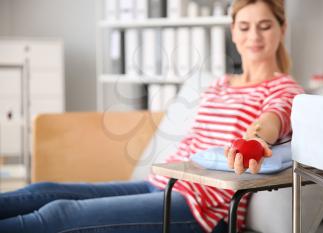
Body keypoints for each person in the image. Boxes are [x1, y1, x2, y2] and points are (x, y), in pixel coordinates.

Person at [0, 0, 304, 232]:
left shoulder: (285, 87)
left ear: (282, 28)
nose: (254, 36)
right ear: (233, 31)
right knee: (41, 192)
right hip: (162, 182)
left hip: (202, 207)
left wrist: (254, 138)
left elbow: (273, 118)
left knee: (58, 214)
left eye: (264, 26)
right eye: (245, 26)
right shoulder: (218, 84)